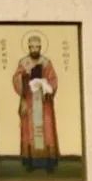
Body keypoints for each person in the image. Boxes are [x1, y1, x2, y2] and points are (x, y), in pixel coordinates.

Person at [12, 35, 59, 171]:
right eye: (32, 47)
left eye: (37, 47)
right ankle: (30, 162)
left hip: (44, 103)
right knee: (30, 131)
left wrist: (46, 85)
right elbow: (16, 79)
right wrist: (23, 76)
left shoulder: (46, 62)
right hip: (29, 100)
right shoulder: (24, 62)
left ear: (40, 47)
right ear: (28, 47)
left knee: (46, 129)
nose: (34, 49)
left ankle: (49, 163)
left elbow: (53, 79)